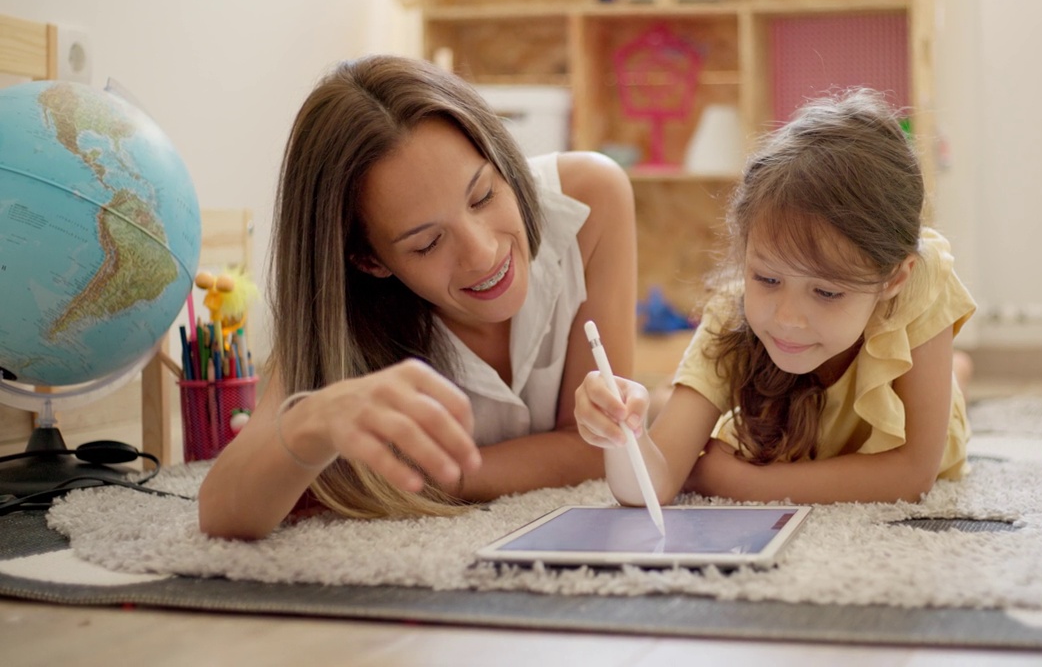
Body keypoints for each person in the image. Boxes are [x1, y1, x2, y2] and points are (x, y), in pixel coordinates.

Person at [199, 55, 637, 539]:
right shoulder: (342, 312)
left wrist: (426, 476)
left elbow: (601, 445)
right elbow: (221, 511)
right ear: (368, 261)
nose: (484, 253)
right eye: (427, 243)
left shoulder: (591, 199)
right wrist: (312, 424)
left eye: (484, 195)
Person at [575, 88, 976, 506]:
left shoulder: (919, 285)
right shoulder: (733, 312)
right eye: (766, 279)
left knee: (947, 393)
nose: (786, 318)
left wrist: (727, 478)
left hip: (905, 387)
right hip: (812, 429)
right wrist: (621, 432)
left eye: (826, 291)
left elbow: (913, 475)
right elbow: (647, 488)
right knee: (665, 408)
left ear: (893, 279)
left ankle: (954, 373)